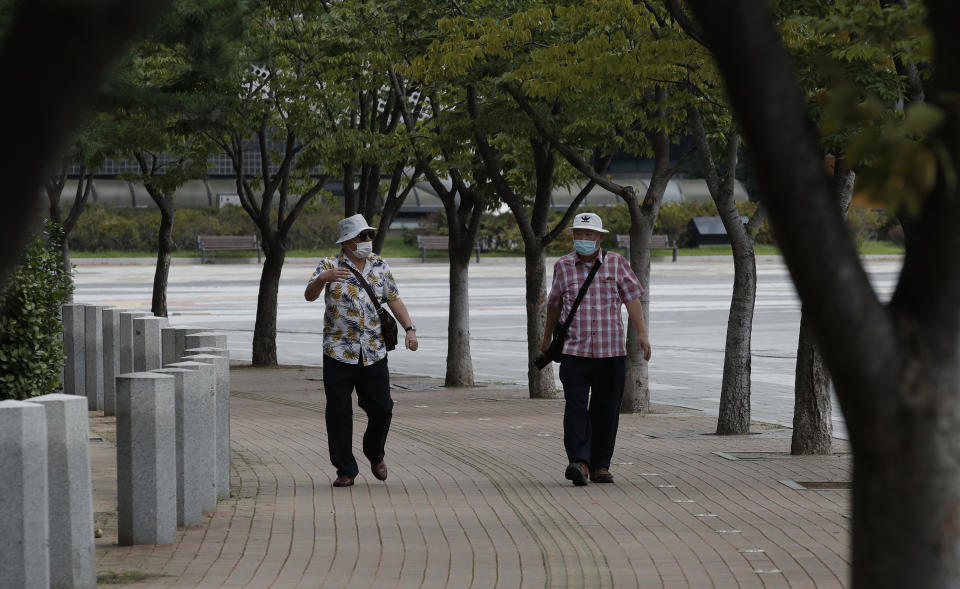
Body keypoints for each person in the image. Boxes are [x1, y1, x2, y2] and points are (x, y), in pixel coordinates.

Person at [304, 214, 419, 487]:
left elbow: (393, 299)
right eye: (362, 236)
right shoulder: (328, 265)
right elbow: (309, 295)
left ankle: (374, 452)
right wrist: (324, 279)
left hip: (374, 351)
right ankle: (345, 469)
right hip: (338, 352)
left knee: (383, 409)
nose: (368, 240)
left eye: (369, 235)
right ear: (346, 242)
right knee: (339, 412)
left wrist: (410, 329)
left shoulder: (379, 265)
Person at [541, 212, 652, 486]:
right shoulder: (563, 266)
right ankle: (580, 462)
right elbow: (554, 304)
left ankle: (601, 465)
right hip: (574, 352)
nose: (583, 239)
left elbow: (632, 298)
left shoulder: (616, 263)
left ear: (600, 237)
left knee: (606, 410)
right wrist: (546, 339)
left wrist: (642, 333)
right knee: (576, 408)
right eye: (579, 234)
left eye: (589, 234)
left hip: (610, 352)